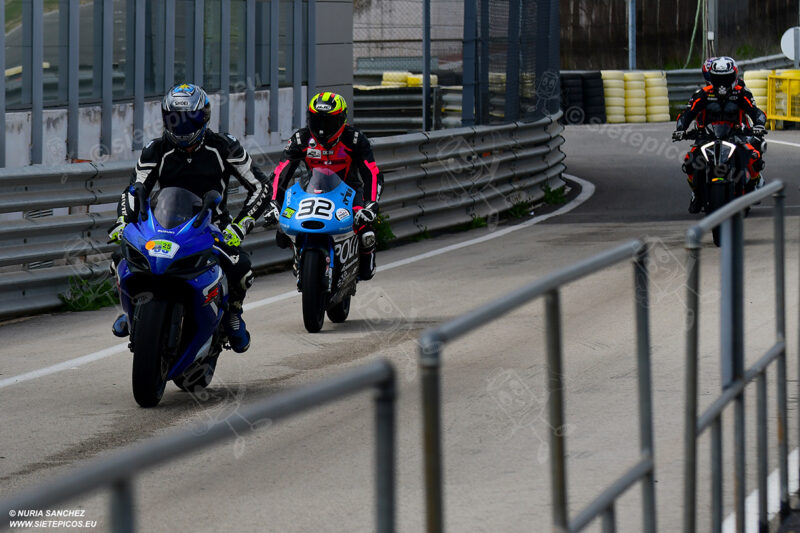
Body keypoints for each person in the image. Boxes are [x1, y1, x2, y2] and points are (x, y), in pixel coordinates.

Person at [107, 83, 271, 353]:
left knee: (241, 267)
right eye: (175, 119)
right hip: (164, 224)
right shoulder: (155, 150)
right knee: (120, 260)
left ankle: (233, 313)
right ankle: (131, 310)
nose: (182, 127)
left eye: (189, 120)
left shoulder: (224, 146)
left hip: (212, 226)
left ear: (204, 117)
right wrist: (124, 220)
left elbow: (261, 186)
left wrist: (240, 227)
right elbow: (135, 188)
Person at [265, 91, 384, 280]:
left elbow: (372, 172)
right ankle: (298, 252)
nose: (321, 129)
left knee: (365, 233)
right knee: (281, 232)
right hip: (310, 191)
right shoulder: (301, 139)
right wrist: (273, 202)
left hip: (349, 191)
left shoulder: (355, 139)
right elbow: (281, 172)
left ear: (341, 120)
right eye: (317, 121)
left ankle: (364, 259)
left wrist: (371, 204)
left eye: (328, 122)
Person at [672, 56, 766, 213]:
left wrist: (759, 125)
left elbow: (757, 112)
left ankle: (751, 187)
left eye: (726, 78)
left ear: (734, 76)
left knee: (754, 156)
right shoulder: (702, 94)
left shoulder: (742, 93)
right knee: (689, 162)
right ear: (711, 77)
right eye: (718, 78)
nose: (722, 83)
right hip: (706, 137)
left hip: (736, 136)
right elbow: (687, 114)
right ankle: (696, 192)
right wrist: (680, 128)